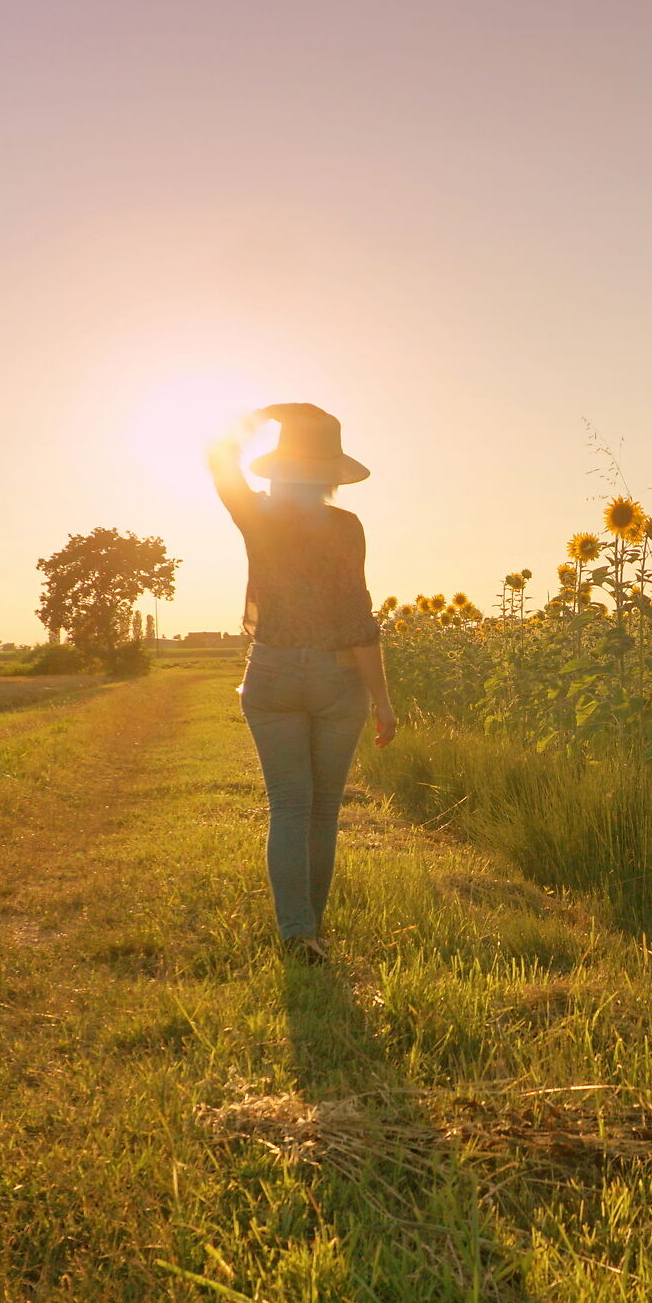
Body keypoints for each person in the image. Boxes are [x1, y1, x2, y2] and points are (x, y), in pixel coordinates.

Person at [208, 403, 397, 964]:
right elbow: (358, 616)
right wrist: (383, 700)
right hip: (338, 677)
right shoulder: (345, 526)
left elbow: (217, 458)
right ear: (331, 472)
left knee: (289, 807)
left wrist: (253, 419)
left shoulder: (256, 515)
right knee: (323, 811)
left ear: (280, 465)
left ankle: (298, 933)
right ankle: (310, 927)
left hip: (270, 671)